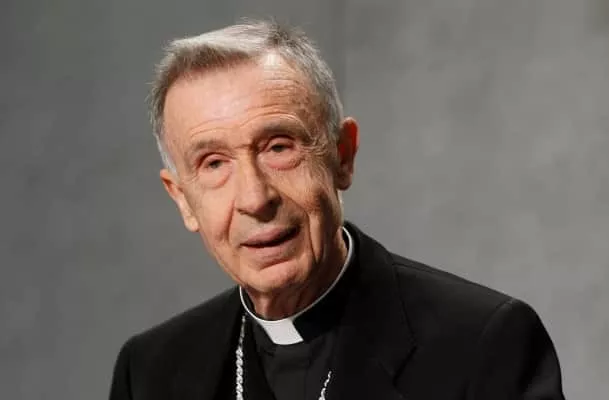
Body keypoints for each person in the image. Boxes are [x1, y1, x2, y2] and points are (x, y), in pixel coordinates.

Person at [109, 19, 565, 400]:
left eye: (279, 147)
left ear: (342, 155)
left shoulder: (483, 345)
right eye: (213, 164)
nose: (254, 198)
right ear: (182, 199)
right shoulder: (149, 373)